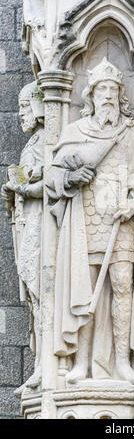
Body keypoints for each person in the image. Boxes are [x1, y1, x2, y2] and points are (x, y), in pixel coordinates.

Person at [47, 58, 134, 385]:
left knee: (123, 285)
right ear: (91, 95)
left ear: (121, 95)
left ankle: (122, 363)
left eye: (113, 90)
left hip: (121, 223)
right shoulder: (75, 133)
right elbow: (52, 177)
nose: (108, 96)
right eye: (102, 90)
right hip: (86, 220)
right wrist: (71, 178)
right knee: (85, 287)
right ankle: (81, 362)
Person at [1, 81, 44, 389]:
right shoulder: (33, 145)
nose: (20, 115)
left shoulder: (46, 143)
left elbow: (53, 183)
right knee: (34, 297)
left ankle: (46, 365)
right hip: (26, 224)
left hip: (41, 227)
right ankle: (42, 362)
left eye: (26, 107)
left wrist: (23, 188)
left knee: (43, 294)